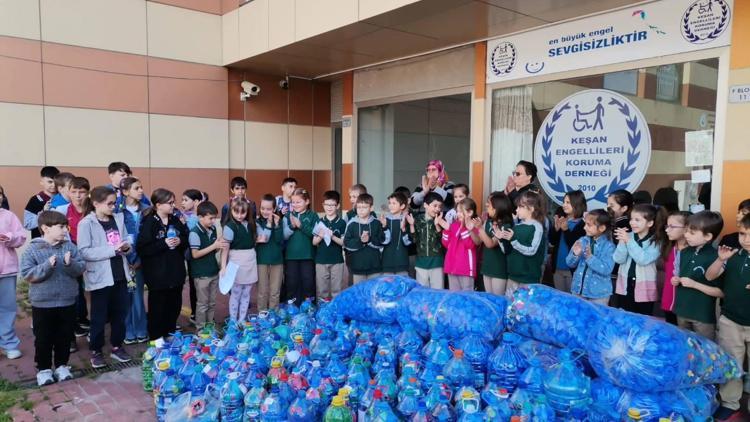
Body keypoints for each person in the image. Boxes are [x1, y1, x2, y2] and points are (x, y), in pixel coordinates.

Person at [20, 211, 84, 385]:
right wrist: (47, 266)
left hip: (67, 300)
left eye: (66, 226)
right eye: (61, 227)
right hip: (43, 303)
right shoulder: (33, 249)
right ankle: (44, 369)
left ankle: (62, 366)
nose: (65, 230)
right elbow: (27, 274)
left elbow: (80, 269)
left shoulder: (69, 247)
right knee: (44, 337)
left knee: (65, 335)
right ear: (45, 229)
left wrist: (70, 264)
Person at [77, 186, 133, 368]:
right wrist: (112, 250)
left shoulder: (118, 218)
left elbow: (124, 239)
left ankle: (117, 346)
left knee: (120, 313)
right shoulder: (86, 223)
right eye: (109, 203)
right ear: (95, 204)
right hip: (100, 276)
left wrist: (126, 247)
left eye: (114, 203)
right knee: (99, 316)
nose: (113, 207)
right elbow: (84, 252)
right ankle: (96, 350)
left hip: (120, 273)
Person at [706, 214, 750, 420]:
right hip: (731, 320)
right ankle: (730, 403)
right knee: (732, 364)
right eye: (743, 234)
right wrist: (720, 259)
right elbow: (710, 276)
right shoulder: (733, 255)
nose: (746, 239)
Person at [137, 189, 188, 341]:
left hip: (175, 272)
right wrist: (163, 243)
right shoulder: (150, 222)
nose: (174, 205)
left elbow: (185, 238)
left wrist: (180, 241)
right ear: (158, 205)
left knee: (174, 305)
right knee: (157, 307)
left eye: (174, 202)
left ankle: (170, 331)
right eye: (170, 203)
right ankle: (156, 336)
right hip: (157, 275)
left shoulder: (175, 220)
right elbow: (143, 248)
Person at [672, 211, 724, 340]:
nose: (686, 235)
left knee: (705, 350)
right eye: (686, 231)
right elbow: (676, 274)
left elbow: (721, 292)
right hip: (682, 310)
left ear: (708, 237)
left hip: (703, 315)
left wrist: (694, 284)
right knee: (685, 346)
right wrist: (675, 279)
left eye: (692, 233)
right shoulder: (682, 253)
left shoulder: (718, 257)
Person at [52, 177, 91, 344]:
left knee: (92, 294)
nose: (77, 196)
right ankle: (71, 333)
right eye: (74, 192)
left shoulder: (93, 209)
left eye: (81, 192)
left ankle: (93, 328)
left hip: (91, 257)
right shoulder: (62, 210)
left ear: (87, 192)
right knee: (71, 295)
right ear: (68, 192)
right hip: (69, 257)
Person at [612, 204, 666, 316]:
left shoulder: (656, 241)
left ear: (650, 223)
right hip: (625, 285)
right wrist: (623, 242)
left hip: (644, 288)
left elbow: (643, 259)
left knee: (643, 320)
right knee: (624, 318)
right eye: (631, 219)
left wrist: (628, 241)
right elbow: (618, 259)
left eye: (637, 220)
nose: (632, 222)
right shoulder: (628, 236)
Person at [118, 177, 148, 344]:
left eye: (141, 187)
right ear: (125, 191)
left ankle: (141, 329)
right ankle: (128, 330)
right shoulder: (118, 212)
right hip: (124, 261)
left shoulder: (147, 210)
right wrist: (127, 258)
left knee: (138, 296)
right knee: (126, 296)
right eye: (137, 188)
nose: (141, 190)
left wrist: (139, 259)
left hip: (140, 261)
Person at [502, 190, 547, 299]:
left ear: (531, 209)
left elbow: (531, 250)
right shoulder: (517, 226)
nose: (517, 210)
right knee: (510, 307)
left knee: (526, 309)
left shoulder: (537, 227)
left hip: (529, 278)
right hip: (513, 276)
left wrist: (513, 240)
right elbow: (507, 251)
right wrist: (501, 238)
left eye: (520, 207)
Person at [189, 201, 226, 329]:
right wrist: (214, 246)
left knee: (211, 303)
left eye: (215, 218)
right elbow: (195, 254)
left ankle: (210, 326)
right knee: (202, 304)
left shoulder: (213, 229)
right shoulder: (194, 233)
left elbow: (213, 250)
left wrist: (218, 246)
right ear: (200, 217)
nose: (213, 221)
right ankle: (200, 329)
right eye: (211, 218)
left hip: (213, 271)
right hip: (201, 274)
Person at [220, 199, 258, 324]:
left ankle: (242, 320)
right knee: (236, 293)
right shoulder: (229, 227)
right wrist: (223, 267)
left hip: (250, 260)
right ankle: (233, 320)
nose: (239, 215)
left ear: (247, 212)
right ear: (231, 211)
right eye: (236, 212)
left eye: (243, 212)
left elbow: (252, 241)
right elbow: (225, 248)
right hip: (236, 261)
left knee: (247, 293)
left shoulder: (251, 224)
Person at [566, 209, 616, 304]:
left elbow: (607, 269)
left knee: (596, 318)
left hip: (598, 295)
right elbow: (569, 263)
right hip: (578, 291)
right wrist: (575, 254)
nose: (584, 228)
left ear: (601, 228)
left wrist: (590, 258)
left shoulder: (609, 246)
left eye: (589, 225)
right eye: (585, 224)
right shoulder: (582, 240)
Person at [0, 187, 25, 361]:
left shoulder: (9, 216)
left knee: (7, 308)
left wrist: (9, 238)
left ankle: (9, 344)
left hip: (6, 269)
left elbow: (21, 237)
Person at [283, 188, 319, 305]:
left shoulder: (313, 215)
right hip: (290, 256)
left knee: (308, 282)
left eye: (298, 202)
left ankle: (309, 307)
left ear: (307, 201)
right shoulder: (288, 215)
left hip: (307, 256)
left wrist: (301, 225)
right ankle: (292, 307)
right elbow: (283, 235)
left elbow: (316, 234)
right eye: (293, 202)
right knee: (292, 283)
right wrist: (292, 226)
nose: (295, 205)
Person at [550, 190, 587, 293]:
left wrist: (566, 230)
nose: (564, 205)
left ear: (577, 204)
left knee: (572, 302)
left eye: (568, 202)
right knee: (560, 300)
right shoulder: (562, 219)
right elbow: (552, 241)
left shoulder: (584, 224)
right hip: (557, 268)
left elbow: (575, 245)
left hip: (573, 271)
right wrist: (556, 229)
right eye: (564, 202)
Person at [406, 192, 445, 289]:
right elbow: (414, 239)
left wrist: (437, 224)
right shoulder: (417, 219)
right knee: (423, 292)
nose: (437, 209)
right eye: (435, 205)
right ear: (425, 205)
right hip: (421, 262)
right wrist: (411, 225)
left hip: (437, 262)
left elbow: (443, 239)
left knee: (438, 291)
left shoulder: (442, 220)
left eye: (439, 206)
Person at [441, 198, 482, 291]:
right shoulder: (455, 225)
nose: (458, 214)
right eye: (457, 211)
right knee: (455, 298)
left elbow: (470, 245)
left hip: (466, 268)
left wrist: (464, 228)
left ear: (470, 212)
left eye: (460, 211)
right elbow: (446, 244)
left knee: (467, 297)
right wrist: (447, 230)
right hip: (452, 267)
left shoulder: (475, 225)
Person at [477, 192, 513, 295]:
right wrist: (473, 228)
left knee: (498, 301)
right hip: (487, 266)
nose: (486, 205)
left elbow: (490, 244)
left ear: (497, 207)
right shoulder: (488, 222)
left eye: (489, 203)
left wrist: (479, 228)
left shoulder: (505, 226)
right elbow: (479, 240)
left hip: (499, 270)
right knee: (489, 299)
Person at [343, 193, 384, 284]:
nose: (361, 210)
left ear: (371, 208)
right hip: (357, 267)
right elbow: (346, 243)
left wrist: (369, 239)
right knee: (359, 293)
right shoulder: (351, 224)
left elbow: (382, 242)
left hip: (375, 267)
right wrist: (360, 241)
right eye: (359, 207)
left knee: (373, 293)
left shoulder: (377, 223)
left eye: (364, 207)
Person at [314, 191, 346, 299]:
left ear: (338, 206)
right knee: (322, 290)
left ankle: (336, 313)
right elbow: (314, 242)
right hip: (321, 260)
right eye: (327, 204)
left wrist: (332, 237)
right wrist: (320, 236)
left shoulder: (342, 222)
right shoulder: (319, 222)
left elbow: (343, 242)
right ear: (323, 205)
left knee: (337, 290)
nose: (329, 207)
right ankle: (323, 312)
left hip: (337, 261)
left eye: (332, 205)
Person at [181, 188, 206, 324]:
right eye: (182, 200)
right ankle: (196, 313)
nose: (182, 203)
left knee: (204, 285)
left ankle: (205, 314)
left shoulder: (202, 216)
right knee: (194, 285)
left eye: (185, 200)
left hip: (205, 256)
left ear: (196, 202)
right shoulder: (184, 216)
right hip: (192, 257)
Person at [661, 211, 691, 325]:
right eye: (667, 226)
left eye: (672, 227)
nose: (667, 230)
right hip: (668, 301)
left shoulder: (692, 253)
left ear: (686, 228)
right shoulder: (669, 248)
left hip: (685, 305)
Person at [256, 194, 284, 310]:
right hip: (261, 260)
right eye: (263, 208)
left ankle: (273, 314)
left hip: (277, 260)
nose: (265, 211)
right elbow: (263, 238)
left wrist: (277, 225)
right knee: (262, 291)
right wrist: (268, 223)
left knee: (275, 291)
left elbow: (279, 240)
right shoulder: (257, 222)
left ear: (274, 209)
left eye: (268, 209)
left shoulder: (279, 221)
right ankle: (261, 314)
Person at [607, 189, 634, 302]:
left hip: (617, 272)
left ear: (624, 208)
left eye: (612, 205)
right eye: (607, 204)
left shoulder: (623, 225)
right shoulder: (615, 222)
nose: (608, 207)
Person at [380, 192, 412, 276]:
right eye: (389, 203)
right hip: (387, 262)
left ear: (402, 206)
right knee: (387, 287)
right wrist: (384, 226)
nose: (390, 205)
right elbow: (383, 241)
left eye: (394, 203)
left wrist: (404, 229)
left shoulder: (407, 220)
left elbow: (408, 242)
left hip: (402, 262)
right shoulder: (385, 220)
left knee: (402, 287)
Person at [24, 166, 60, 239]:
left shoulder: (64, 199)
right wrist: (43, 213)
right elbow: (27, 224)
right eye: (50, 182)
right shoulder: (34, 200)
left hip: (61, 243)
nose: (53, 185)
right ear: (42, 182)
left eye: (56, 182)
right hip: (40, 244)